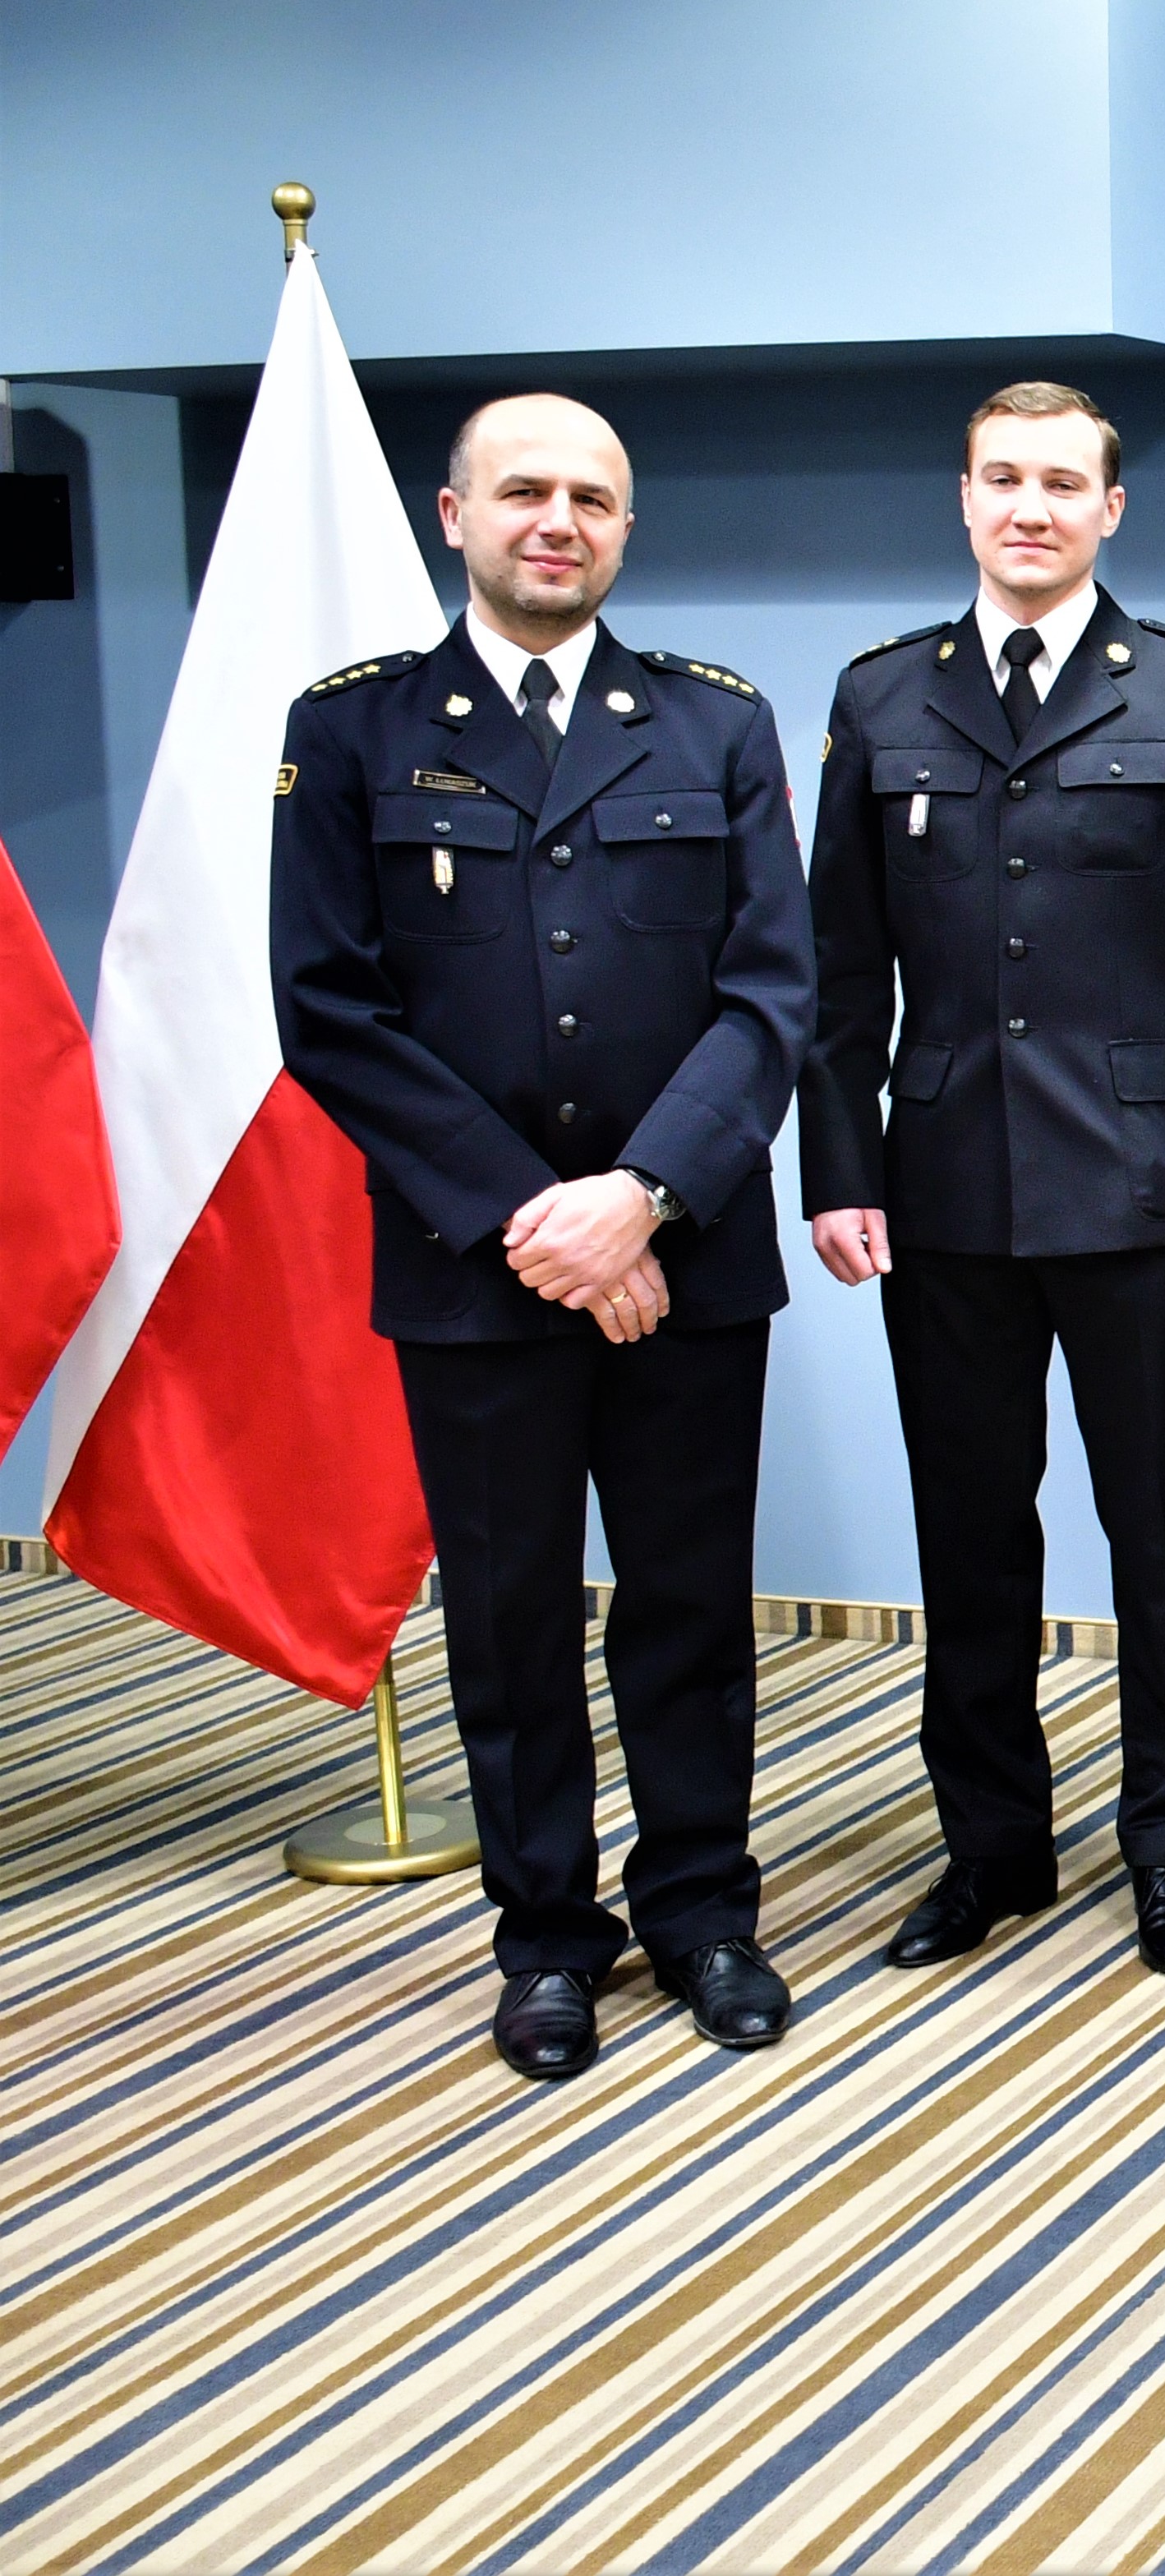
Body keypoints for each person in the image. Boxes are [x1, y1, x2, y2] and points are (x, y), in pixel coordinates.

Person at [273, 394, 810, 2081]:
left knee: (688, 1606)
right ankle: (549, 1939)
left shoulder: (715, 722)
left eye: (591, 496)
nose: (557, 520)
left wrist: (638, 1198)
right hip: (476, 1270)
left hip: (684, 1259)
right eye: (524, 492)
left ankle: (705, 1912)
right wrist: (538, 1218)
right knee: (508, 1620)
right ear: (458, 515)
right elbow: (329, 1010)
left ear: (627, 529)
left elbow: (771, 996)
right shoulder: (354, 729)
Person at [802, 381, 1165, 1981]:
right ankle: (991, 1849)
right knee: (971, 1535)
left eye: (1063, 482)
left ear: (1109, 509)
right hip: (944, 1190)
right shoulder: (883, 697)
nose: (1031, 506)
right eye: (1003, 477)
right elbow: (838, 967)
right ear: (964, 497)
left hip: (1147, 1193)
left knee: (1163, 1537)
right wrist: (840, 1165)